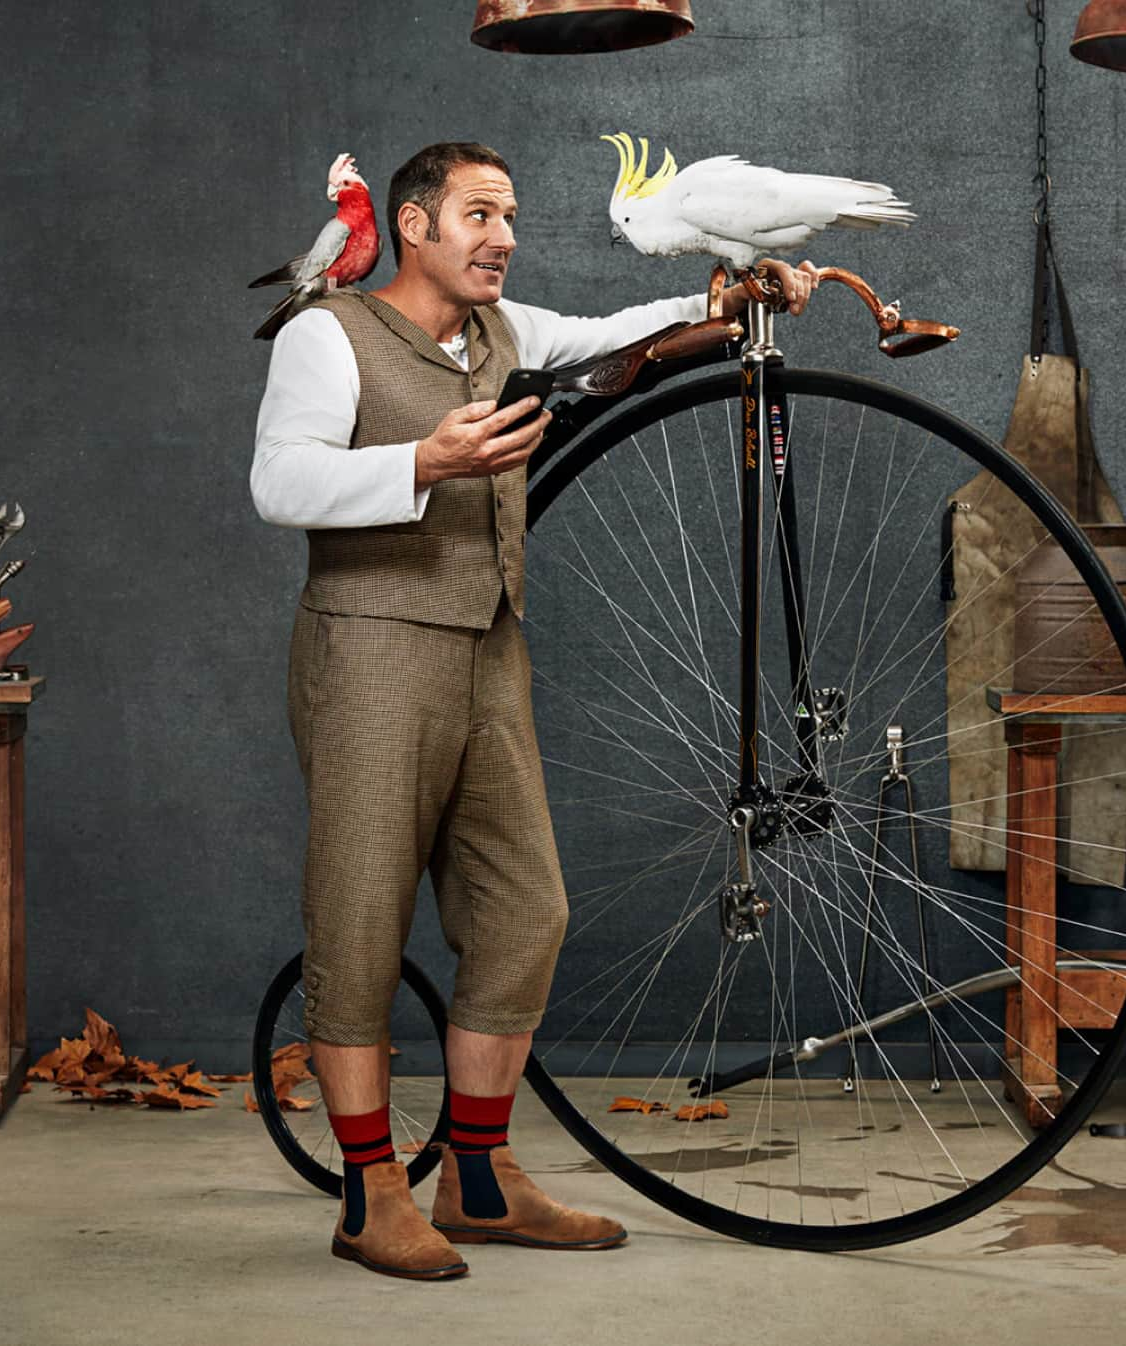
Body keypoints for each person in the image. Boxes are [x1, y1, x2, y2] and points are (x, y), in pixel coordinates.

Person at [251, 141, 818, 1282]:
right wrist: (422, 458)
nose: (501, 235)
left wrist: (729, 295)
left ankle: (476, 1174)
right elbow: (277, 482)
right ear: (411, 226)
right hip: (370, 653)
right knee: (360, 920)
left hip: (488, 652)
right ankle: (371, 1194)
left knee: (523, 911)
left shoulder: (506, 335)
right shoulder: (331, 333)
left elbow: (621, 330)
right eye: (476, 214)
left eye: (508, 214)